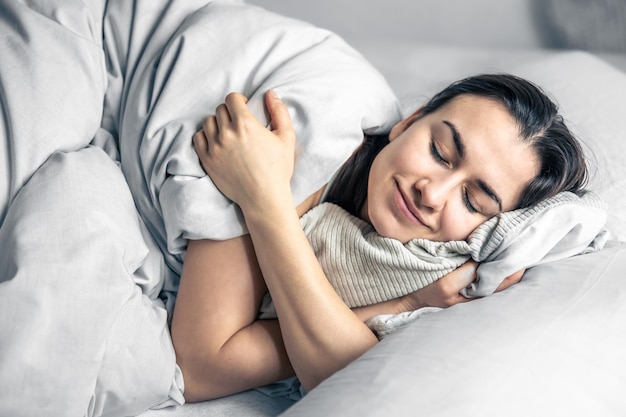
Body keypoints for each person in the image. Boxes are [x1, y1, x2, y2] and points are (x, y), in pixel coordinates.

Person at [170, 74, 588, 402]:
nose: (432, 192)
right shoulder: (301, 131)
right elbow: (197, 368)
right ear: (408, 121)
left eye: (473, 201)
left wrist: (409, 304)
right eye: (440, 152)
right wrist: (265, 198)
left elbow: (338, 371)